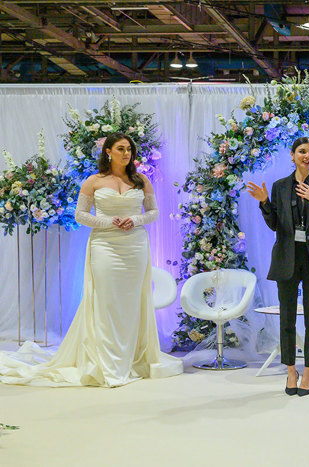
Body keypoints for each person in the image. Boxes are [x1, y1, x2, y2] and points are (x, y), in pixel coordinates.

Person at [0, 133, 183, 387]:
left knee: (132, 302)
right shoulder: (93, 181)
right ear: (108, 151)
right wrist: (109, 222)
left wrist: (136, 219)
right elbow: (80, 215)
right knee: (106, 301)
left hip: (135, 246)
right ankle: (107, 361)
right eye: (121, 149)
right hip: (105, 246)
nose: (127, 153)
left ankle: (130, 357)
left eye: (129, 149)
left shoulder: (140, 180)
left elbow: (153, 212)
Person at [246, 137, 309, 396]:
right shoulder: (279, 186)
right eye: (301, 152)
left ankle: (308, 373)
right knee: (287, 319)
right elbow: (276, 224)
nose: (306, 156)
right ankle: (290, 371)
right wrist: (265, 202)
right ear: (292, 155)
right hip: (287, 257)